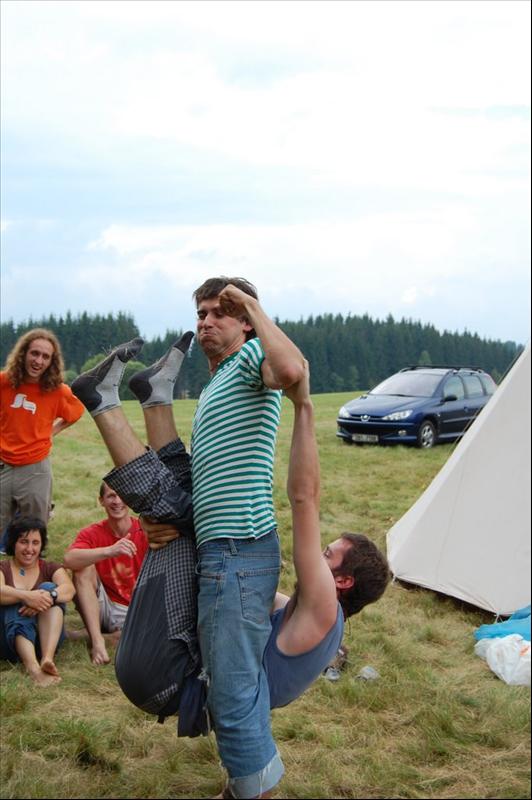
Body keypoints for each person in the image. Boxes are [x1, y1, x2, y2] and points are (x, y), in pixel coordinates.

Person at [70, 331, 389, 797]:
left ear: (341, 581)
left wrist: (303, 407)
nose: (317, 557)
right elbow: (247, 588)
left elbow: (305, 499)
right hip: (162, 668)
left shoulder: (322, 608)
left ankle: (102, 401)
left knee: (178, 517)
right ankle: (155, 397)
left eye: (328, 555)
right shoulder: (313, 620)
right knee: (191, 515)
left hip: (164, 674)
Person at [0, 329, 85, 538]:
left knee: (34, 529)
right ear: (23, 354)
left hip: (35, 468)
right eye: (34, 353)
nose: (38, 361)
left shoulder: (57, 390)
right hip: (2, 464)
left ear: (51, 362)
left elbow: (76, 412)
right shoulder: (3, 382)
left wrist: (52, 431)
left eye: (45, 356)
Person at [63, 481, 148, 666]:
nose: (117, 501)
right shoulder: (92, 532)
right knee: (82, 567)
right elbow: (68, 560)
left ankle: (90, 636)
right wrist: (109, 551)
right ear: (101, 501)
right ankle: (97, 641)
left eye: (121, 495)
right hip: (103, 607)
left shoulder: (144, 530)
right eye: (111, 496)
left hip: (135, 608)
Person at [0, 516, 75, 686]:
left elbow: (69, 589)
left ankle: (47, 659)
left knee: (49, 588)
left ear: (41, 545)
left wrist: (47, 597)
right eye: (23, 542)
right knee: (15, 598)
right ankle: (33, 669)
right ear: (13, 543)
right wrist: (27, 597)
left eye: (35, 543)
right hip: (9, 641)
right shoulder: (3, 568)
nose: (29, 549)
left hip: (43, 641)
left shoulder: (50, 567)